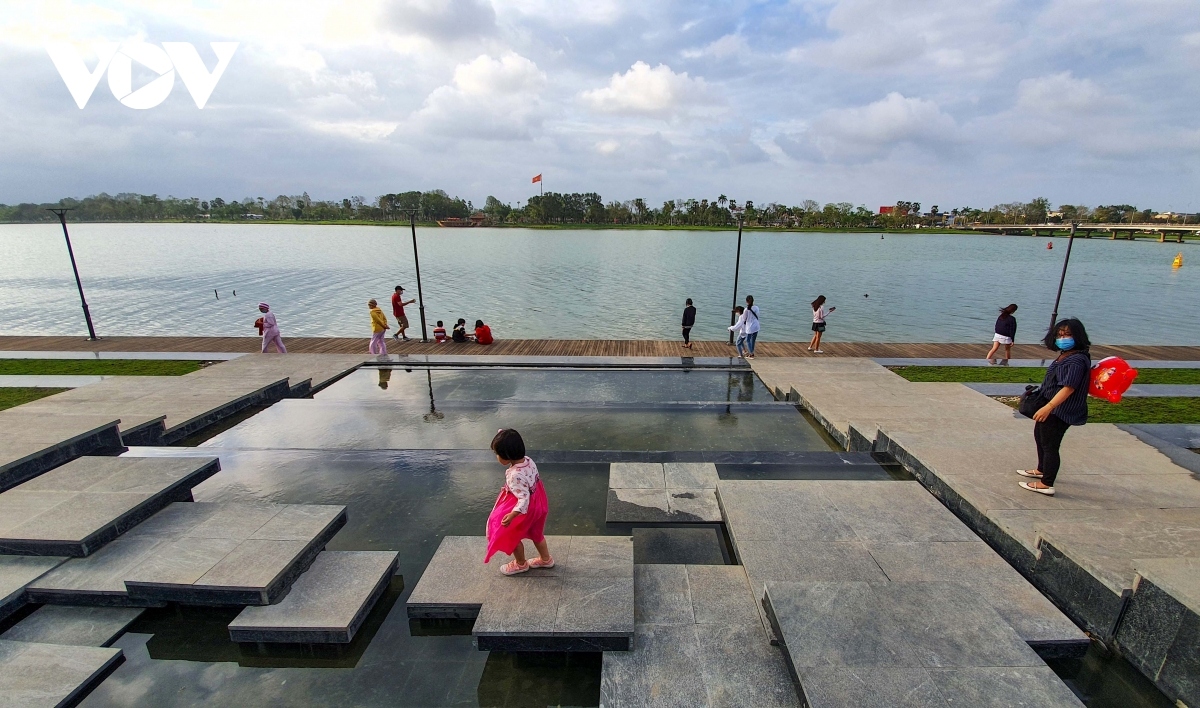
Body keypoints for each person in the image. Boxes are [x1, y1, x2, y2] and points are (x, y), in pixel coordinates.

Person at [1017, 319, 1092, 496]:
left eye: (1067, 334)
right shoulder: (1067, 355)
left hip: (1061, 410)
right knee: (1040, 436)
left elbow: (1069, 387)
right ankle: (1042, 469)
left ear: (1078, 336)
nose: (1062, 338)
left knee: (1050, 444)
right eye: (1059, 334)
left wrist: (1048, 407)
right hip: (1052, 406)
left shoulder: (1076, 360)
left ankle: (1046, 483)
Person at [484, 429, 553, 575]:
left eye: (497, 454)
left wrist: (512, 515)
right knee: (537, 534)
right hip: (538, 502)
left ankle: (521, 564)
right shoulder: (528, 460)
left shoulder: (515, 475)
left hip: (524, 507)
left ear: (507, 456)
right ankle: (546, 559)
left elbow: (523, 499)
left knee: (511, 534)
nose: (496, 457)